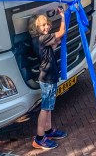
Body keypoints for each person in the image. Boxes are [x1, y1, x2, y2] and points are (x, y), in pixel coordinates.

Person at [28, 10, 67, 150]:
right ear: (36, 28)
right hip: (48, 77)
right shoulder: (41, 39)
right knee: (45, 108)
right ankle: (39, 138)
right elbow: (61, 31)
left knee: (49, 106)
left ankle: (49, 130)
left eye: (47, 24)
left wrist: (56, 43)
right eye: (43, 25)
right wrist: (63, 17)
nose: (47, 27)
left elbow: (52, 47)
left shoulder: (41, 40)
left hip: (50, 76)